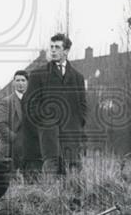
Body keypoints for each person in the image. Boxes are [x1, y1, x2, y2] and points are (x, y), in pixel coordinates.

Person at [25, 33, 88, 176]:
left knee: (74, 171)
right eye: (51, 47)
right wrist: (44, 122)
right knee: (52, 169)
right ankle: (52, 197)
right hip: (49, 134)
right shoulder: (37, 74)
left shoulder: (77, 77)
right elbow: (30, 104)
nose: (53, 50)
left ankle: (72, 197)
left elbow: (82, 105)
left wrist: (79, 123)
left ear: (66, 51)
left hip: (72, 134)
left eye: (57, 47)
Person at [0, 70, 38, 176]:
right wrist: (15, 139)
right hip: (11, 148)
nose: (20, 83)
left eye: (23, 80)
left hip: (30, 149)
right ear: (13, 83)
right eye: (17, 80)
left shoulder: (33, 101)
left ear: (27, 83)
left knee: (31, 181)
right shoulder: (6, 102)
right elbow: (0, 125)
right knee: (12, 181)